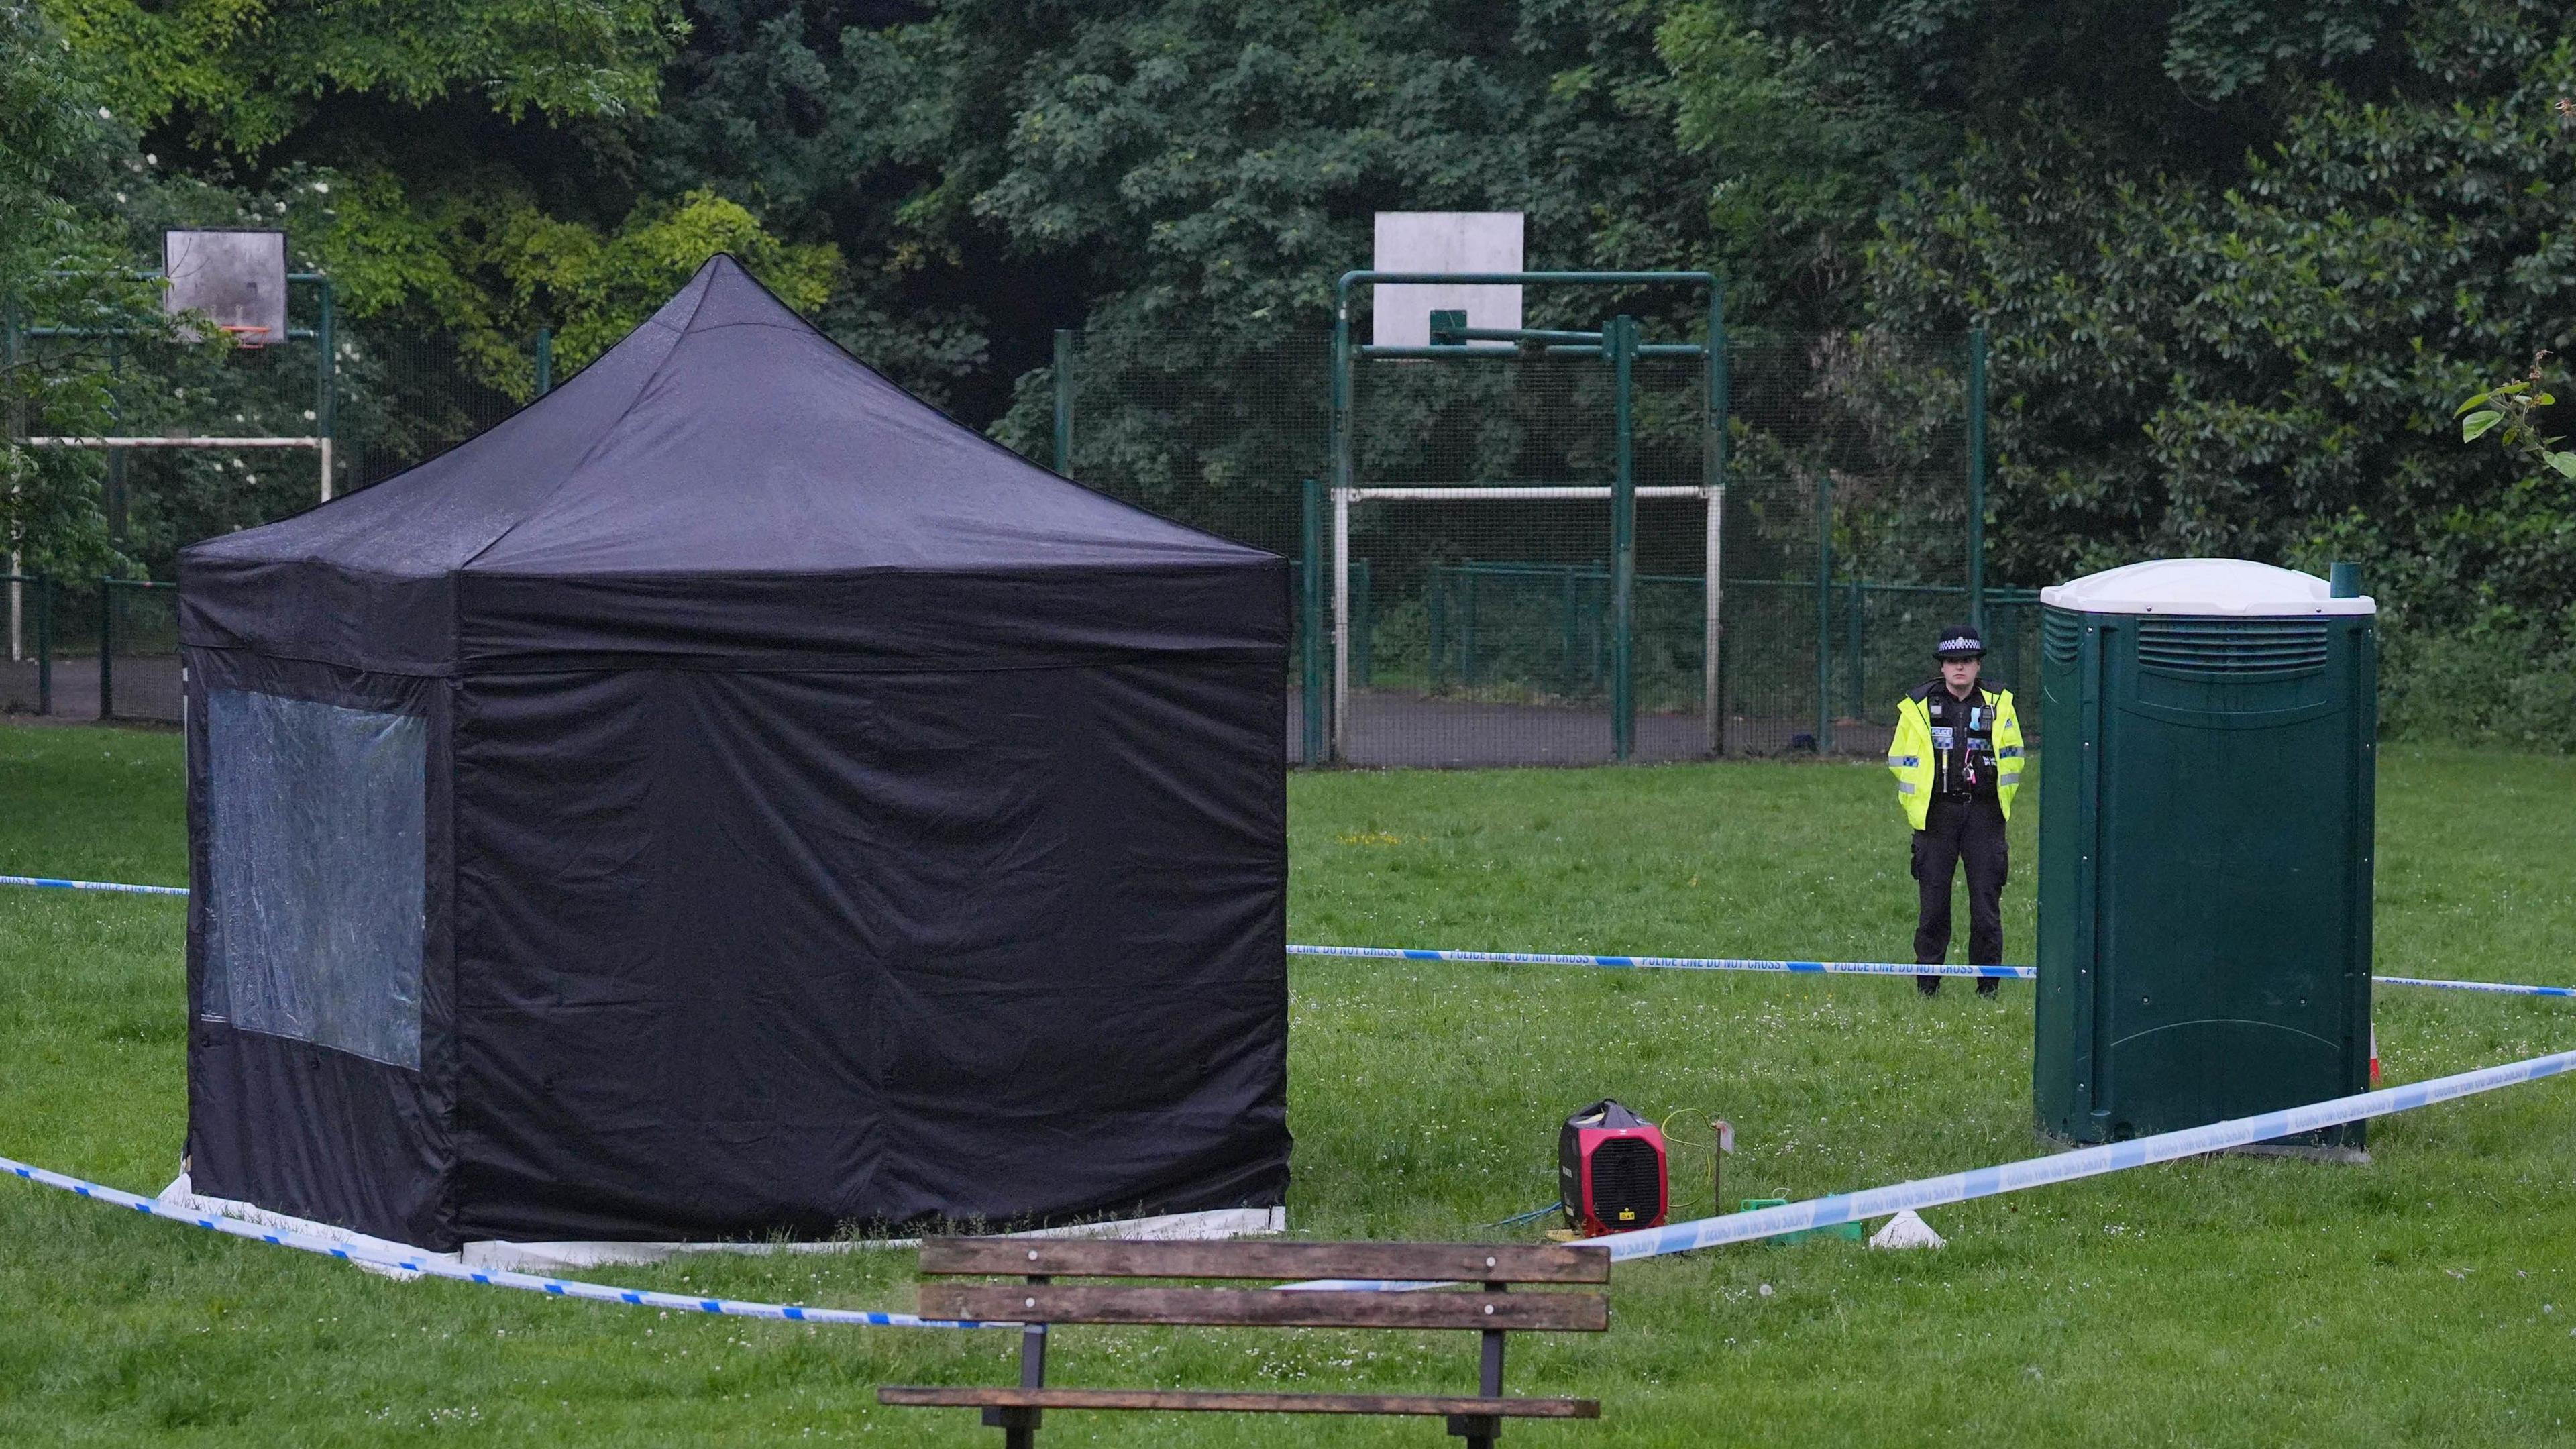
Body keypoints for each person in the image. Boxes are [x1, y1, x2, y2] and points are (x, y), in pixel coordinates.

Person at [1886, 624, 2023, 996]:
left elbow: (2014, 757)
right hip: (1936, 815)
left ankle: (1988, 989)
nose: (1959, 668)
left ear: (1978, 665)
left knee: (1985, 908)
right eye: (1951, 662)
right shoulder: (1917, 706)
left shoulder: (1999, 704)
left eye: (1966, 661)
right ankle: (1927, 989)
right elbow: (1899, 760)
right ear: (1942, 667)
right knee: (1933, 907)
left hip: (1985, 815)